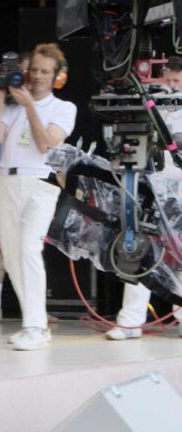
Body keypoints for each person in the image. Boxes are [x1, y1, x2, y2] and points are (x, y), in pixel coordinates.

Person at [0, 43, 77, 350]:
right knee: (11, 258)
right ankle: (33, 320)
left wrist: (29, 108)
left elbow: (46, 145)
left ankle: (36, 326)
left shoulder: (63, 108)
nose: (37, 76)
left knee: (28, 248)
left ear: (56, 77)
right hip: (6, 180)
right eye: (34, 69)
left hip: (40, 182)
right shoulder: (13, 105)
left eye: (44, 72)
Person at [105, 55, 182, 340]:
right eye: (169, 80)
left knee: (180, 255)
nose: (172, 86)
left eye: (177, 81)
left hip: (180, 190)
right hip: (153, 188)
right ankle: (130, 321)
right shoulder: (155, 106)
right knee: (140, 250)